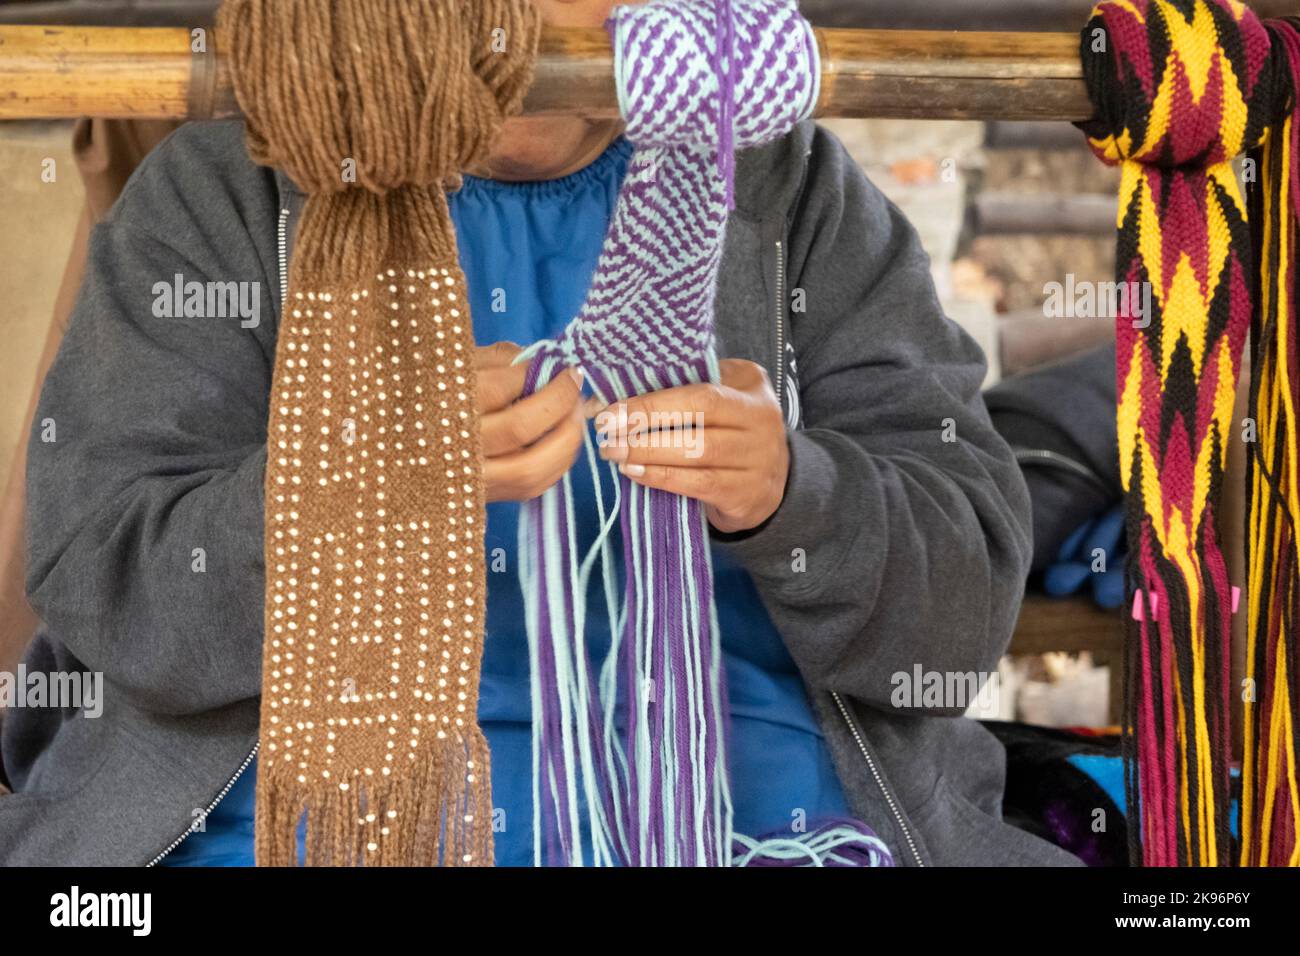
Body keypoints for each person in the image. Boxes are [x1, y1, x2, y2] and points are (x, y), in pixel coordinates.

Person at [0, 0, 1077, 866]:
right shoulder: (225, 190)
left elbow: (960, 612)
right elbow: (106, 586)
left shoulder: (789, 190)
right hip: (290, 814)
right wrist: (355, 486)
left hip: (751, 818)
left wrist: (795, 493)